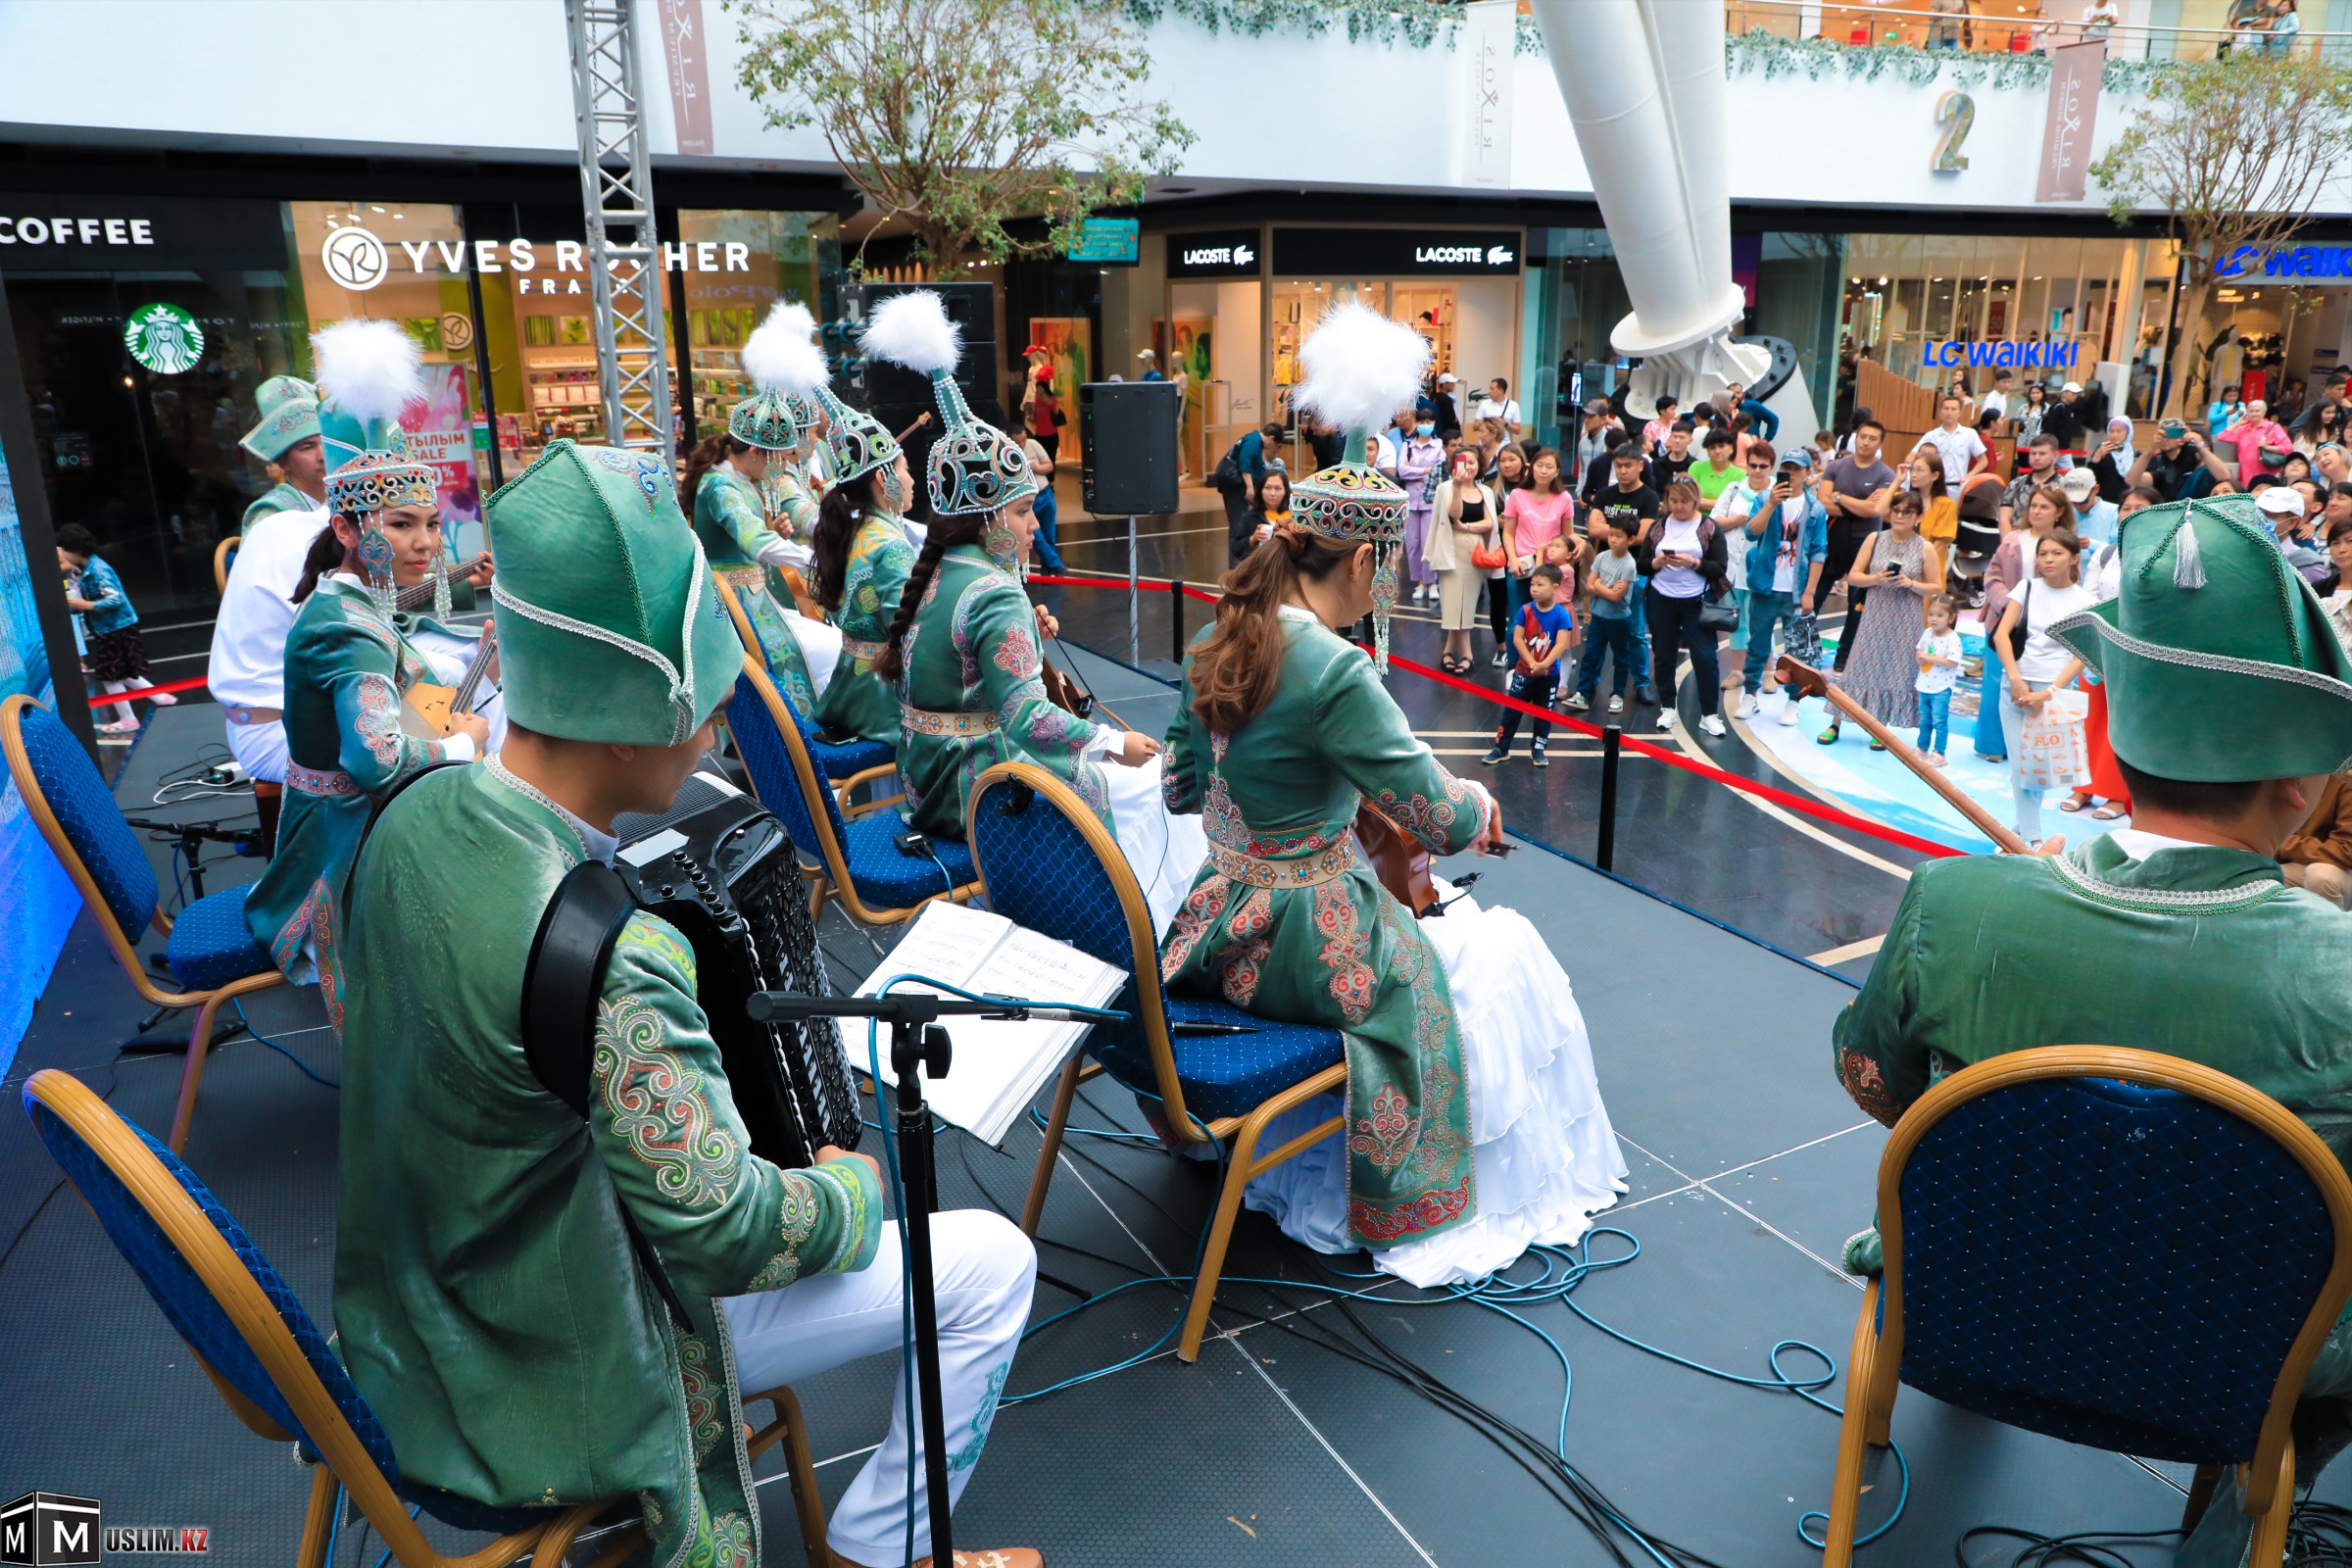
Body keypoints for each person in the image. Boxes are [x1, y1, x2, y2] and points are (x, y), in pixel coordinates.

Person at [332, 438, 1040, 1568]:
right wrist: (851, 1187)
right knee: (992, 1263)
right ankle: (887, 1547)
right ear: (629, 721)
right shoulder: (614, 950)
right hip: (557, 1358)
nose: (716, 733)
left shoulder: (412, 812)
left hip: (414, 1310)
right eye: (706, 705)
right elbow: (725, 1230)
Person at [1833, 493, 2352, 1568]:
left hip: (1962, 1313)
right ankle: (2238, 1525)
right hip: (2231, 1371)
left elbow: (1871, 1076)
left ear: (2113, 736)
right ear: (2303, 783)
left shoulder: (1954, 903)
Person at [1161, 301, 1625, 1284]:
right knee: (1479, 965)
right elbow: (1436, 818)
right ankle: (1408, 1197)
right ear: (1368, 561)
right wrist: (1480, 807)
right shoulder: (1334, 668)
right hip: (1304, 933)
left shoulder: (1216, 633)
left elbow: (1177, 783)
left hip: (1213, 923)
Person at [861, 292, 1199, 934]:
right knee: (1153, 788)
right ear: (987, 517)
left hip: (925, 777)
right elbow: (1026, 717)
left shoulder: (937, 568)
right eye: (1022, 512)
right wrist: (1114, 743)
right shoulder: (993, 591)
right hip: (977, 787)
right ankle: (1149, 938)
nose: (1033, 526)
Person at [242, 320, 487, 988]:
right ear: (346, 529)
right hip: (344, 847)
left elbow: (398, 654)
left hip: (362, 820)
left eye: (431, 524)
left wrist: (460, 691)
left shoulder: (351, 598)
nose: (425, 543)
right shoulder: (345, 626)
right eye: (401, 524)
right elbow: (374, 761)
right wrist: (463, 741)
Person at [683, 306, 841, 714]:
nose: (784, 463)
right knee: (833, 648)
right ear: (755, 451)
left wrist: (779, 532)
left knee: (831, 643)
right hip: (734, 609)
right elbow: (753, 539)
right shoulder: (720, 486)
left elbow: (758, 535)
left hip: (754, 600)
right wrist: (813, 559)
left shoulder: (740, 481)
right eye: (778, 456)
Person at [214, 375, 334, 841]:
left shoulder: (332, 504)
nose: (322, 454)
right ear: (282, 462)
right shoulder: (272, 517)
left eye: (325, 442)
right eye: (307, 446)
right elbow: (307, 614)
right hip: (282, 690)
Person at [807, 383, 917, 748]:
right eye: (905, 469)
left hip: (849, 688)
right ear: (884, 479)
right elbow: (910, 634)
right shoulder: (890, 545)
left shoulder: (856, 530)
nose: (912, 480)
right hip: (882, 703)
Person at [1991, 527, 2095, 846]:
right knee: (2020, 764)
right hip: (2016, 685)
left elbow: (2081, 655)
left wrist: (2049, 693)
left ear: (2074, 558)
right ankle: (2032, 840)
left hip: (2053, 690)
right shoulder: (2026, 587)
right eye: (2043, 553)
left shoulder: (2084, 601)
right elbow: (2001, 635)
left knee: (2037, 766)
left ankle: (2021, 831)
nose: (2048, 559)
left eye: (2056, 553)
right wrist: (2015, 679)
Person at [1821, 491, 1941, 751]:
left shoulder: (1925, 547)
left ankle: (1880, 727)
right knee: (1857, 665)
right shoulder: (1875, 539)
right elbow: (1854, 576)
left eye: (1907, 512)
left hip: (1906, 618)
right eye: (1896, 510)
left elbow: (1936, 587)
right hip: (1874, 614)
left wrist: (1910, 583)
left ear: (1918, 517)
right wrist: (1877, 579)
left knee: (1896, 670)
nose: (1900, 516)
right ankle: (1836, 722)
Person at [1734, 450, 1829, 725]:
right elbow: (1751, 531)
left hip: (1796, 592)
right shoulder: (1766, 497)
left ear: (1808, 473)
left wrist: (1810, 592)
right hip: (1765, 586)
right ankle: (1750, 696)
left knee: (1797, 653)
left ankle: (1793, 702)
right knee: (1757, 645)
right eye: (1787, 468)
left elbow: (1819, 551)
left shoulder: (1816, 508)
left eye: (1797, 469)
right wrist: (1772, 504)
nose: (1792, 474)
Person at [55, 524, 170, 737]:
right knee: (119, 671)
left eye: (64, 550)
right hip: (111, 627)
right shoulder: (87, 570)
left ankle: (129, 718)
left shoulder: (97, 570)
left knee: (111, 674)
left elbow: (115, 598)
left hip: (117, 627)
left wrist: (87, 605)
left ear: (74, 549)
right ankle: (161, 698)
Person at [1638, 476, 1732, 737]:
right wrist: (1656, 563)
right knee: (1663, 655)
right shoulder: (1658, 526)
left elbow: (1719, 567)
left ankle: (1709, 714)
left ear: (1696, 501)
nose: (1679, 506)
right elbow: (1642, 564)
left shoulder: (1709, 527)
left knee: (1705, 656)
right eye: (1674, 501)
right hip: (1661, 598)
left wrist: (1694, 563)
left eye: (1684, 501)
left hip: (1697, 601)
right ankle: (1667, 706)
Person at [1822, 419, 1896, 673]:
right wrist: (1860, 505)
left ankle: (1844, 655)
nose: (1866, 442)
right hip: (1832, 535)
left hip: (1866, 539)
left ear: (1880, 443)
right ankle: (1803, 649)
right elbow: (1822, 501)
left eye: (1872, 438)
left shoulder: (1885, 474)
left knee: (1857, 600)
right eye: (1862, 436)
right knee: (1816, 593)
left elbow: (1875, 510)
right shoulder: (1836, 466)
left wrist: (1839, 497)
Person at [1484, 562, 1575, 767]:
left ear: (1555, 587)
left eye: (1540, 585)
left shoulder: (1561, 614)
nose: (1534, 589)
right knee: (1512, 711)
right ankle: (1501, 747)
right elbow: (1517, 638)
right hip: (1524, 672)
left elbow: (1561, 644)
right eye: (1532, 584)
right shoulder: (1525, 610)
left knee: (1544, 713)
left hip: (1549, 675)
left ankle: (1538, 749)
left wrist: (1544, 665)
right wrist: (1532, 661)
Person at [1430, 449, 1498, 674]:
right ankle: (1468, 654)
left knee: (1466, 603)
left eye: (1472, 462)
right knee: (1453, 603)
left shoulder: (1485, 491)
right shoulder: (1446, 488)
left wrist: (1468, 527)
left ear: (1480, 465)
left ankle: (1448, 651)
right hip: (1451, 549)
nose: (1468, 466)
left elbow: (1490, 523)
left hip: (1475, 551)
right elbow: (1454, 515)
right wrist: (1458, 486)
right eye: (1463, 462)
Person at [1569, 516, 1641, 715]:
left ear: (1630, 539)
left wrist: (1599, 586)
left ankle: (1617, 695)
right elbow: (1589, 586)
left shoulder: (1628, 564)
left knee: (1621, 658)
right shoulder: (1601, 557)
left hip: (1619, 620)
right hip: (1598, 616)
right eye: (1611, 535)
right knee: (1590, 656)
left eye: (1618, 536)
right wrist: (1605, 588)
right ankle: (1582, 693)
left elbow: (1616, 597)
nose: (1613, 540)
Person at [1502, 448, 1577, 620]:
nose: (1543, 471)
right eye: (1539, 465)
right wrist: (1513, 560)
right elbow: (1508, 533)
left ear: (1557, 472)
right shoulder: (1517, 495)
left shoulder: (1564, 498)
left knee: (1546, 620)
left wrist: (1581, 546)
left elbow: (1568, 535)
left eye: (1549, 467)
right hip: (1521, 565)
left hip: (1551, 568)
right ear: (1530, 467)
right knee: (1517, 620)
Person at [1399, 411, 1446, 607]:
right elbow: (1402, 470)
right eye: (1422, 421)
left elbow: (1439, 471)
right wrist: (1425, 470)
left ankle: (1431, 582)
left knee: (1429, 542)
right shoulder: (1407, 446)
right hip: (1411, 500)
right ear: (1416, 423)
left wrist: (1415, 471)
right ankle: (1419, 582)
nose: (1426, 424)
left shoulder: (1439, 445)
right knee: (1412, 544)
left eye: (1429, 421)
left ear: (1434, 423)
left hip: (1430, 500)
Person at [1217, 418, 1287, 551]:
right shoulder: (1253, 440)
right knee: (1238, 522)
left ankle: (1242, 554)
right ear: (1271, 439)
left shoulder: (1254, 441)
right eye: (1275, 448)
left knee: (1241, 520)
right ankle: (1236, 556)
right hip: (1235, 487)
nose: (1274, 452)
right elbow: (1245, 464)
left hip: (1237, 486)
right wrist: (1250, 488)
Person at [2128, 418, 2235, 502]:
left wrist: (2199, 445)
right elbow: (2131, 482)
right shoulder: (2158, 461)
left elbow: (2225, 475)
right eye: (2162, 433)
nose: (2165, 437)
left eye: (2171, 433)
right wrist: (2150, 449)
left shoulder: (2195, 458)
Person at [1915, 594, 1963, 764]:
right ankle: (1922, 748)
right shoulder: (1927, 633)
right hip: (1924, 684)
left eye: (1940, 615)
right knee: (1924, 719)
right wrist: (1920, 658)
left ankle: (1939, 753)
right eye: (1931, 614)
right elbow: (1919, 651)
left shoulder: (1952, 638)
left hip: (1941, 687)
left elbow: (1953, 662)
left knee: (1939, 721)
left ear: (1951, 618)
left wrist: (1930, 658)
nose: (1934, 619)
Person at [1018, 424, 1065, 573]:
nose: (1022, 444)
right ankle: (1057, 566)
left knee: (1050, 536)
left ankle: (1047, 573)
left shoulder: (1033, 444)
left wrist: (1037, 468)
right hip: (1028, 501)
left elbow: (1049, 466)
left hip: (1045, 494)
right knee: (1037, 538)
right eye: (1018, 442)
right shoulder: (1008, 452)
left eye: (1024, 440)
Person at [2221, 397, 2293, 489]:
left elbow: (2288, 447)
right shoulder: (2244, 428)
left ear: (2264, 413)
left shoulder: (2272, 427)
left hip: (2266, 473)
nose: (2254, 414)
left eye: (2257, 411)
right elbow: (2222, 436)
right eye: (2251, 411)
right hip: (2245, 474)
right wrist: (2238, 423)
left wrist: (2267, 447)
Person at [1921, 394, 1989, 489]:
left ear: (1960, 413)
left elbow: (1983, 461)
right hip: (1936, 487)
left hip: (1959, 487)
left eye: (1953, 409)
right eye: (1946, 408)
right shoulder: (1931, 435)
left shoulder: (1969, 434)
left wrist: (1969, 477)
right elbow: (1912, 457)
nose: (1949, 412)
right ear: (1940, 411)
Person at [2000, 432, 2065, 529]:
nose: (2036, 458)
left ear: (2055, 455)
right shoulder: (2015, 484)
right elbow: (2004, 519)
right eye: (2033, 453)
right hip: (2017, 535)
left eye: (2042, 454)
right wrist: (2009, 538)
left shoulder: (2064, 485)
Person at [1234, 466, 1293, 564]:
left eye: (1278, 488)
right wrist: (1252, 539)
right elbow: (1235, 549)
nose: (1272, 493)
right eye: (1267, 488)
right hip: (1261, 568)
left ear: (1285, 491)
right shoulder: (1251, 517)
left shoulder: (1295, 515)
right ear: (1260, 490)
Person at [2059, 466, 2120, 548]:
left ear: (2096, 489)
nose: (2077, 505)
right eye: (2073, 501)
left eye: (2083, 500)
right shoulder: (2064, 512)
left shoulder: (2115, 512)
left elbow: (2120, 549)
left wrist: (2092, 544)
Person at [1690, 426, 1742, 509]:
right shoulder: (1696, 467)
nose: (1717, 451)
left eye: (1721, 446)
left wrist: (1699, 501)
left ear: (1731, 448)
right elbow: (1688, 498)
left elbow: (1732, 504)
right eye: (1712, 448)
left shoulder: (1739, 474)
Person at [1432, 370, 1463, 440]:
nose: (1454, 385)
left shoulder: (1434, 397)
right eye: (1451, 383)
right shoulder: (1447, 399)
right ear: (1445, 384)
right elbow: (1451, 419)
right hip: (1447, 434)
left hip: (1437, 432)